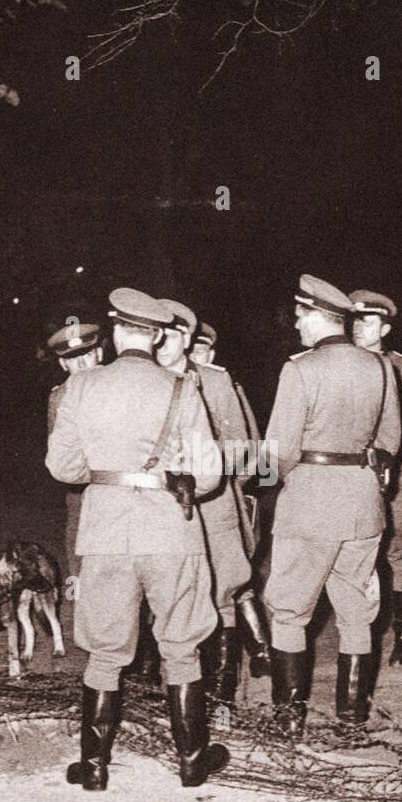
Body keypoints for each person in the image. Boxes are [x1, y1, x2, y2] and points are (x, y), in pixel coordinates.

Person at [46, 288, 228, 790]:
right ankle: (192, 761)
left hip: (105, 529)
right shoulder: (181, 387)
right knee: (181, 644)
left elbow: (61, 467)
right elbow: (209, 474)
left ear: (118, 330)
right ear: (155, 336)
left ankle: (95, 767)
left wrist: (107, 472)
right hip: (171, 530)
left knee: (105, 652)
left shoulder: (80, 389)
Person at [263, 275, 401, 731]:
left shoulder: (300, 369)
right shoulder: (380, 367)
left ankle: (288, 721)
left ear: (319, 316)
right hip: (363, 504)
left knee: (289, 611)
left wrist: (284, 482)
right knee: (356, 612)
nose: (296, 324)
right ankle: (352, 718)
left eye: (301, 315)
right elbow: (391, 440)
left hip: (310, 502)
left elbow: (279, 450)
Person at [156, 300, 264, 708]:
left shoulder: (215, 381)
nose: (163, 342)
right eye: (158, 333)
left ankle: (222, 698)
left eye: (173, 334)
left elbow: (244, 449)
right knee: (168, 598)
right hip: (162, 507)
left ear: (187, 338)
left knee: (221, 597)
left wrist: (202, 464)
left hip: (214, 504)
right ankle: (175, 694)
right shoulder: (143, 379)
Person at [188, 319, 273, 680]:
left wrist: (243, 486)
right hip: (190, 500)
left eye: (202, 349)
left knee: (234, 577)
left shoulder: (224, 385)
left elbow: (250, 443)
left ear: (212, 351)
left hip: (225, 493)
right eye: (191, 349)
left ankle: (258, 649)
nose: (196, 356)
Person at [349, 289, 402, 666]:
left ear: (384, 326)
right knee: (351, 553)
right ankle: (359, 634)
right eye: (353, 320)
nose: (357, 328)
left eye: (366, 321)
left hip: (393, 473)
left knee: (399, 551)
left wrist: (386, 450)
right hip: (347, 475)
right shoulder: (340, 364)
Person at [45, 323, 103, 601]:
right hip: (80, 490)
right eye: (72, 358)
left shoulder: (119, 388)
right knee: (77, 547)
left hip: (125, 487)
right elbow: (58, 450)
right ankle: (81, 603)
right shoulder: (58, 398)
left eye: (87, 354)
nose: (81, 363)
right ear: (62, 364)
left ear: (99, 354)